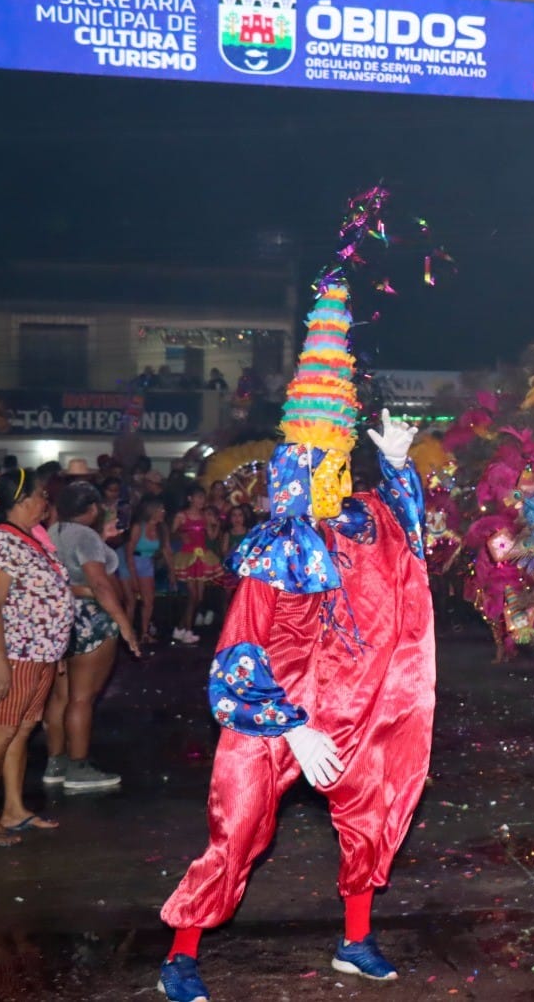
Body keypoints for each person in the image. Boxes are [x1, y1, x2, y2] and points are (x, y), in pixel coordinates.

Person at [158, 268, 435, 1000]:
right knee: (239, 825)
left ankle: (355, 940)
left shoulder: (364, 520)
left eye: (337, 458)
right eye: (317, 459)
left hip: (352, 702)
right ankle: (181, 953)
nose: (327, 470)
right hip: (275, 708)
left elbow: (411, 543)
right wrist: (293, 727)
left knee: (371, 809)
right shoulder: (276, 547)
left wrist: (398, 466)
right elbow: (237, 652)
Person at [0, 468, 75, 847]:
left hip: (40, 653)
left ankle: (13, 809)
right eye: (41, 494)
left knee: (23, 730)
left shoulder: (30, 539)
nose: (46, 501)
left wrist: (57, 648)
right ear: (22, 499)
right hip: (14, 652)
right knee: (0, 732)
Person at [44, 482, 141, 792]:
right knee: (82, 698)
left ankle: (56, 763)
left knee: (61, 696)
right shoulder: (85, 536)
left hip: (61, 616)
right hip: (91, 620)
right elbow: (100, 585)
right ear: (92, 508)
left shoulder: (53, 531)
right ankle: (78, 767)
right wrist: (125, 624)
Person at [170, 485, 220, 643]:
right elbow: (170, 534)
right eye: (198, 497)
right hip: (187, 556)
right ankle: (188, 631)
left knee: (198, 598)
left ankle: (180, 628)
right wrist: (181, 535)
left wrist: (216, 523)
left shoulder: (205, 516)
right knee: (193, 595)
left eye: (203, 497)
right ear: (190, 498)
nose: (201, 500)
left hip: (202, 556)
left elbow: (211, 537)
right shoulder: (181, 515)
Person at [125, 497, 167, 647]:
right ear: (152, 511)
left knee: (148, 601)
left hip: (147, 563)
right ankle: (127, 633)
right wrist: (133, 576)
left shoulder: (160, 529)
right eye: (161, 509)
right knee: (130, 600)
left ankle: (144, 633)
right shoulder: (139, 527)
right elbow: (129, 552)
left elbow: (164, 550)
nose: (164, 512)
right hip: (131, 562)